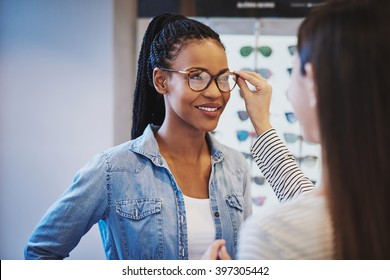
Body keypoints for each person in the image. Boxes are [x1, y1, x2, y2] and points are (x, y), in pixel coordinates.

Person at [24, 13, 311, 260]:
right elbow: (41, 252)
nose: (215, 92)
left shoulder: (235, 167)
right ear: (162, 80)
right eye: (196, 76)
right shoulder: (112, 170)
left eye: (222, 78)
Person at [206, 0, 390, 259]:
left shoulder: (274, 235)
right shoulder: (366, 212)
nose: (289, 92)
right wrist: (262, 124)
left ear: (313, 82)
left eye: (294, 71)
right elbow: (310, 199)